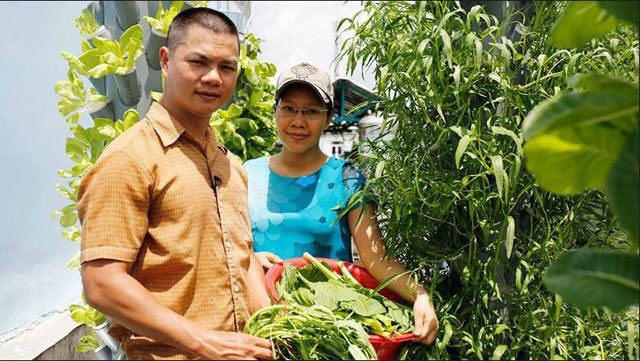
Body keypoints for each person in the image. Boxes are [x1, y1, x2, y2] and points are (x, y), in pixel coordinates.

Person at [78, 8, 272, 360]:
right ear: (166, 61)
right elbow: (102, 283)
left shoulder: (230, 165)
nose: (214, 77)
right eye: (198, 62)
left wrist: (274, 327)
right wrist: (204, 341)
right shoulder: (130, 158)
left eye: (227, 67)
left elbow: (243, 260)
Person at [244, 63, 439, 345]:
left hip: (328, 332)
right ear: (275, 111)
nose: (298, 121)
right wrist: (249, 258)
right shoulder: (247, 174)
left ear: (329, 117)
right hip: (262, 327)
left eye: (311, 111)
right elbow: (228, 247)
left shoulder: (346, 178)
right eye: (288, 108)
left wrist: (420, 294)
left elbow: (376, 258)